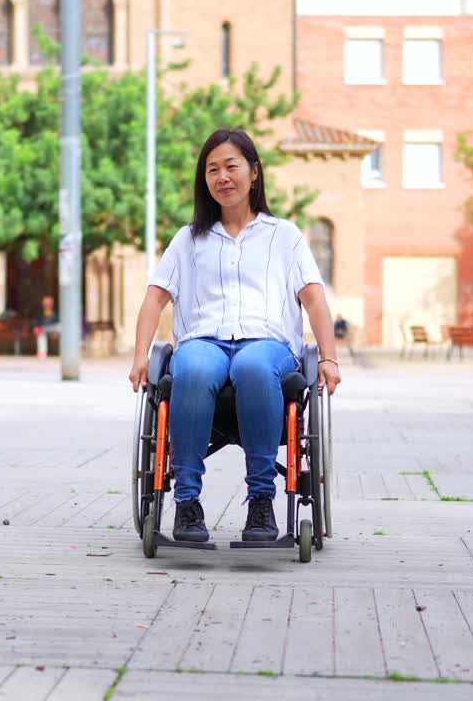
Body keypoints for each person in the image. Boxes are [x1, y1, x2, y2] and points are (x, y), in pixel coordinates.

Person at [128, 128, 343, 544]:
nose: (222, 177)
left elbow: (315, 301)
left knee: (252, 366)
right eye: (212, 169)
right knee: (189, 367)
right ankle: (187, 504)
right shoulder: (188, 239)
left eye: (231, 166)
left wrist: (329, 359)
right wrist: (140, 355)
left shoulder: (284, 236)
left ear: (254, 173)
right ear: (204, 180)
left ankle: (261, 501)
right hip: (203, 342)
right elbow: (154, 300)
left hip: (267, 345)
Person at [34, 294, 59, 359]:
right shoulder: (39, 313)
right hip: (43, 329)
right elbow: (36, 323)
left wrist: (55, 333)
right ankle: (42, 353)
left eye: (49, 303)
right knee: (40, 334)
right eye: (45, 303)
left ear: (52, 303)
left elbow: (59, 322)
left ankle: (67, 351)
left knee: (62, 328)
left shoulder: (57, 313)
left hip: (55, 329)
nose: (47, 304)